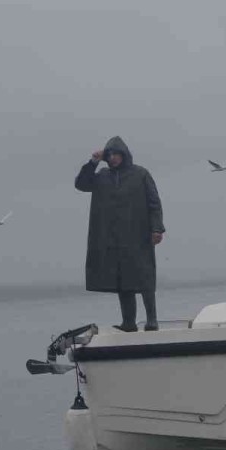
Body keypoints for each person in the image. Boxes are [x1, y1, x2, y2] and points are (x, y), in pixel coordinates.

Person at [74, 136, 165, 332]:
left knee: (145, 278)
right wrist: (93, 163)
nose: (114, 157)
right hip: (113, 238)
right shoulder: (101, 177)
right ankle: (129, 323)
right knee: (123, 281)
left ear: (124, 154)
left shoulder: (141, 174)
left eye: (117, 154)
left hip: (139, 236)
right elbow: (81, 184)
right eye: (110, 154)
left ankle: (152, 320)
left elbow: (154, 203)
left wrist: (157, 228)